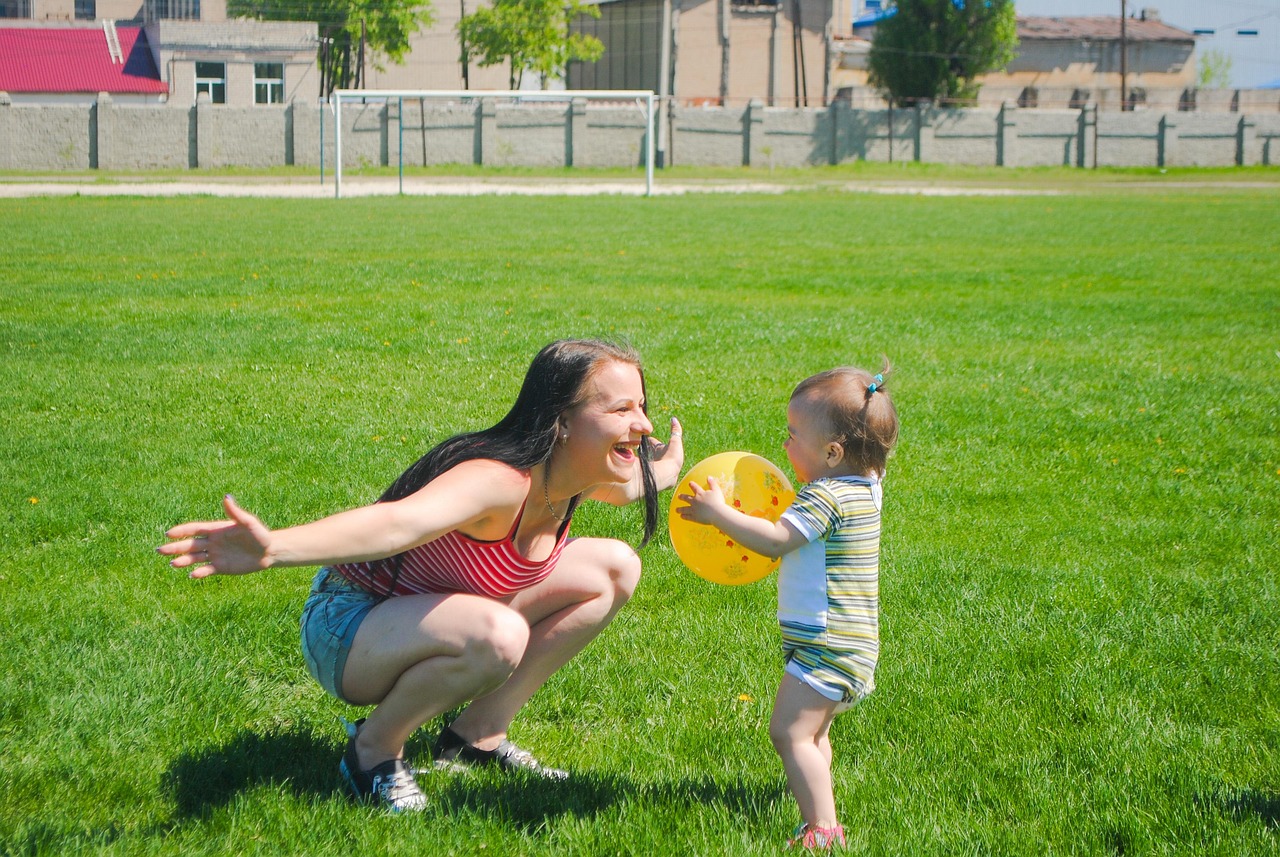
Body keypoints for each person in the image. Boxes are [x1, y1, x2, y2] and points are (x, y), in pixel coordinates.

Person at [158, 339, 685, 812]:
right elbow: (395, 524)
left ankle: (474, 737)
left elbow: (632, 487)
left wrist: (666, 470)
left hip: (428, 619)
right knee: (498, 636)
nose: (643, 425)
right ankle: (372, 753)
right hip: (348, 626)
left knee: (616, 566)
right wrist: (274, 548)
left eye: (642, 407)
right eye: (621, 409)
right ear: (561, 420)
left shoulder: (573, 478)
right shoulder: (498, 482)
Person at [674, 365, 897, 850]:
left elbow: (776, 541)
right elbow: (871, 460)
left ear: (833, 452)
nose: (785, 446)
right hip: (850, 642)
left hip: (825, 641)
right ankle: (817, 801)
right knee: (812, 734)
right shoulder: (867, 487)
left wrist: (719, 513)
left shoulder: (826, 495)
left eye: (793, 436)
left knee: (789, 732)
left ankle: (822, 829)